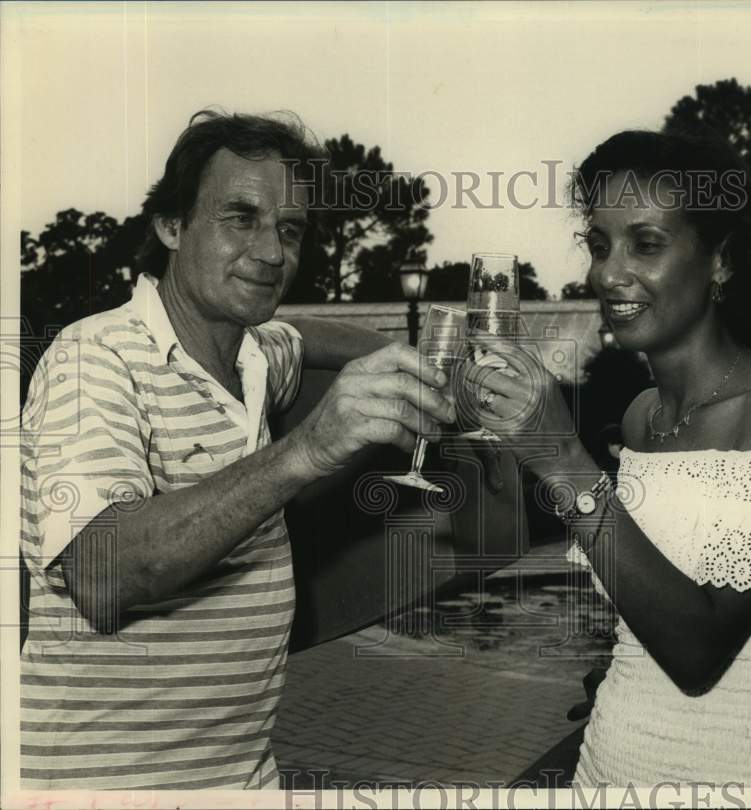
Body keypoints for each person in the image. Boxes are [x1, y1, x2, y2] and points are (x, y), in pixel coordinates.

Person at [20, 110, 455, 790]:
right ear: (171, 226)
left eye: (289, 229)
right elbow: (101, 578)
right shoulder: (94, 358)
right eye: (240, 219)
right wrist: (304, 449)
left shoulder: (255, 355)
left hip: (244, 780)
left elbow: (302, 337)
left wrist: (404, 358)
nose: (273, 252)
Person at [465, 128, 751, 787]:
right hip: (604, 771)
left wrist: (563, 457)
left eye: (646, 243)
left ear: (721, 260)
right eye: (600, 245)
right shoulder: (642, 417)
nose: (608, 273)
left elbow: (697, 654)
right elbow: (645, 611)